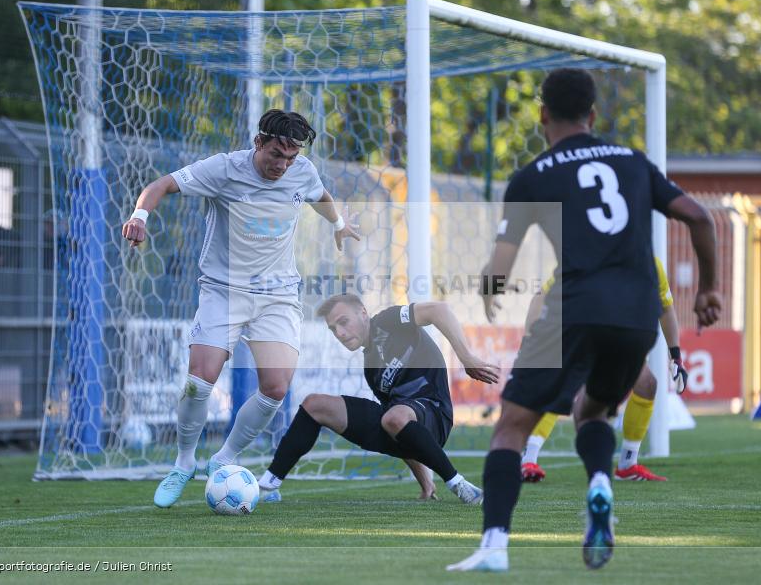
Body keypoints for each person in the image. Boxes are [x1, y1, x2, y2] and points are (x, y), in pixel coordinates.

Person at [447, 68, 720, 572]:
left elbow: (502, 264)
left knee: (510, 427)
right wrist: (707, 289)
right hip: (639, 311)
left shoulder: (534, 176)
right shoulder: (633, 162)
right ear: (593, 115)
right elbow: (701, 218)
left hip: (575, 305)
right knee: (593, 412)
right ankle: (599, 483)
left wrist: (489, 291)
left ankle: (493, 547)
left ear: (542, 114)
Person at [121, 110, 360, 508]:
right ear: (259, 143)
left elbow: (320, 196)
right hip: (223, 288)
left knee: (276, 387)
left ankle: (224, 459)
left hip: (278, 293)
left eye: (291, 156)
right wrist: (139, 216)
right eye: (276, 155)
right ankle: (183, 463)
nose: (283, 165)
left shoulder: (301, 170)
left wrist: (337, 224)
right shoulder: (223, 169)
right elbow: (159, 185)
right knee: (200, 380)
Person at [256, 293, 500, 504]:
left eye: (343, 322)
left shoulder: (390, 321)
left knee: (394, 416)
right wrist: (426, 483)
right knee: (314, 404)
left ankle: (459, 485)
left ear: (363, 313)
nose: (339, 333)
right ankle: (268, 485)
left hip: (435, 415)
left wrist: (466, 357)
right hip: (402, 421)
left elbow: (439, 310)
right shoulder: (371, 369)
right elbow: (400, 433)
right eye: (333, 329)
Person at [520, 256, 688, 484]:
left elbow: (666, 309)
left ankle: (628, 464)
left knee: (647, 384)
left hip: (618, 337)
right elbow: (542, 296)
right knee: (564, 387)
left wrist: (675, 356)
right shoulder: (589, 254)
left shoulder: (651, 263)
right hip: (577, 330)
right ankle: (527, 460)